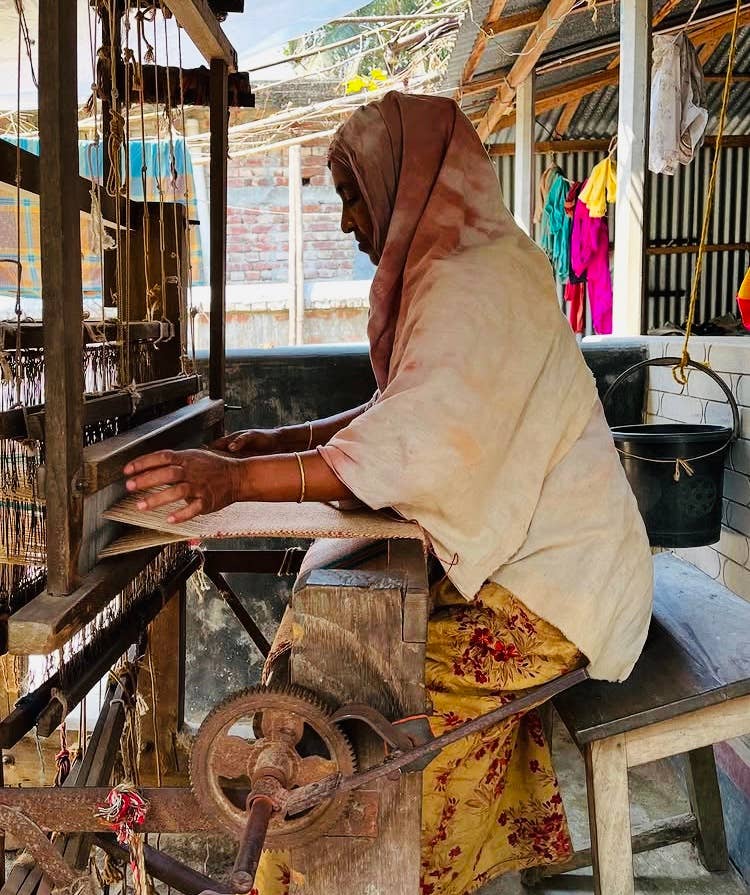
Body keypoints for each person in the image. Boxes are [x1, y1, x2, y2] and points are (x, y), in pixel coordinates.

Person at [124, 92, 653, 894]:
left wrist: (234, 480)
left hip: (557, 600)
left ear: (401, 182)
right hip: (555, 571)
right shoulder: (472, 265)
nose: (344, 222)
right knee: (347, 663)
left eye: (349, 194)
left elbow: (413, 450)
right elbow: (401, 412)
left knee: (371, 703)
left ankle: (370, 872)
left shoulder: (479, 285)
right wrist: (278, 442)